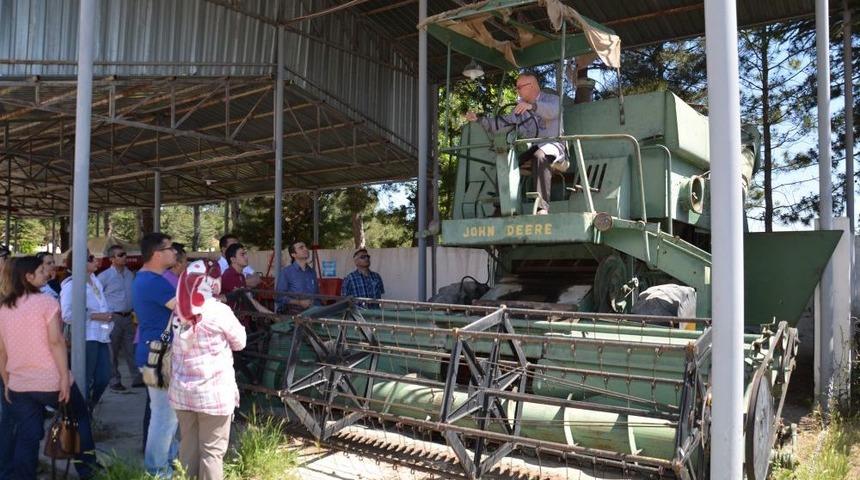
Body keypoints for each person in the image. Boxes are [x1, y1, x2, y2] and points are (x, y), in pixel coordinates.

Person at [0, 256, 98, 479]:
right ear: (28, 277)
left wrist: (7, 382)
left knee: (28, 435)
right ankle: (88, 470)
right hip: (50, 379)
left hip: (19, 384)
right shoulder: (46, 302)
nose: (47, 272)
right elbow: (56, 342)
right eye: (41, 269)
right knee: (79, 418)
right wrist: (64, 377)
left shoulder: (4, 307)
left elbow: (2, 351)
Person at [170, 260, 246, 480]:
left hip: (183, 393)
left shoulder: (180, 309)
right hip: (214, 395)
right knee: (211, 453)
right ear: (211, 282)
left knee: (188, 450)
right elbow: (240, 342)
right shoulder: (219, 311)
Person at [465, 72, 568, 215]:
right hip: (534, 146)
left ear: (531, 86)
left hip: (554, 144)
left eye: (519, 87)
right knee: (506, 160)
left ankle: (542, 207)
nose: (517, 91)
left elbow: (553, 111)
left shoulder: (552, 100)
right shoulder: (521, 108)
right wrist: (479, 120)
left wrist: (532, 107)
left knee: (540, 156)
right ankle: (500, 207)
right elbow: (503, 123)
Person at [132, 232, 179, 477]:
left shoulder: (146, 278)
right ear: (157, 254)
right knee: (164, 416)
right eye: (170, 249)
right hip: (159, 355)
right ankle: (158, 470)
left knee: (165, 414)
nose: (175, 253)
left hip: (152, 352)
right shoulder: (154, 281)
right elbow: (185, 308)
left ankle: (168, 462)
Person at [60, 251, 114, 412]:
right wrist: (95, 315)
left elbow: (101, 303)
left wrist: (108, 315)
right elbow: (67, 314)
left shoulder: (95, 281)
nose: (95, 260)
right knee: (85, 378)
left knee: (104, 377)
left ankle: (89, 406)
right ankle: (81, 413)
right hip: (86, 336)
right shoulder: (72, 285)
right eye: (90, 258)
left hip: (102, 336)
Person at [97, 245, 142, 391]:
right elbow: (96, 296)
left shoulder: (130, 274)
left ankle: (137, 378)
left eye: (124, 254)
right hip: (113, 317)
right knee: (112, 351)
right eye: (120, 255)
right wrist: (104, 314)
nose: (124, 257)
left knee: (132, 349)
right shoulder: (104, 277)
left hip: (129, 316)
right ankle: (114, 380)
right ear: (112, 259)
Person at [221, 243, 272, 315]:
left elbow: (249, 299)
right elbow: (249, 300)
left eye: (245, 254)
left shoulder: (241, 276)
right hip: (233, 320)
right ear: (233, 259)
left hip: (242, 318)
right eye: (242, 254)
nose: (246, 257)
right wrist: (272, 315)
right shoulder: (229, 275)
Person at [275, 241, 319, 314]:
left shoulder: (312, 272)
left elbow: (317, 295)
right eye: (301, 248)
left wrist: (320, 309)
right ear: (293, 254)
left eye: (305, 247)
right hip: (293, 314)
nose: (306, 249)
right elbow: (279, 297)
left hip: (312, 313)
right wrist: (299, 302)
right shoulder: (286, 272)